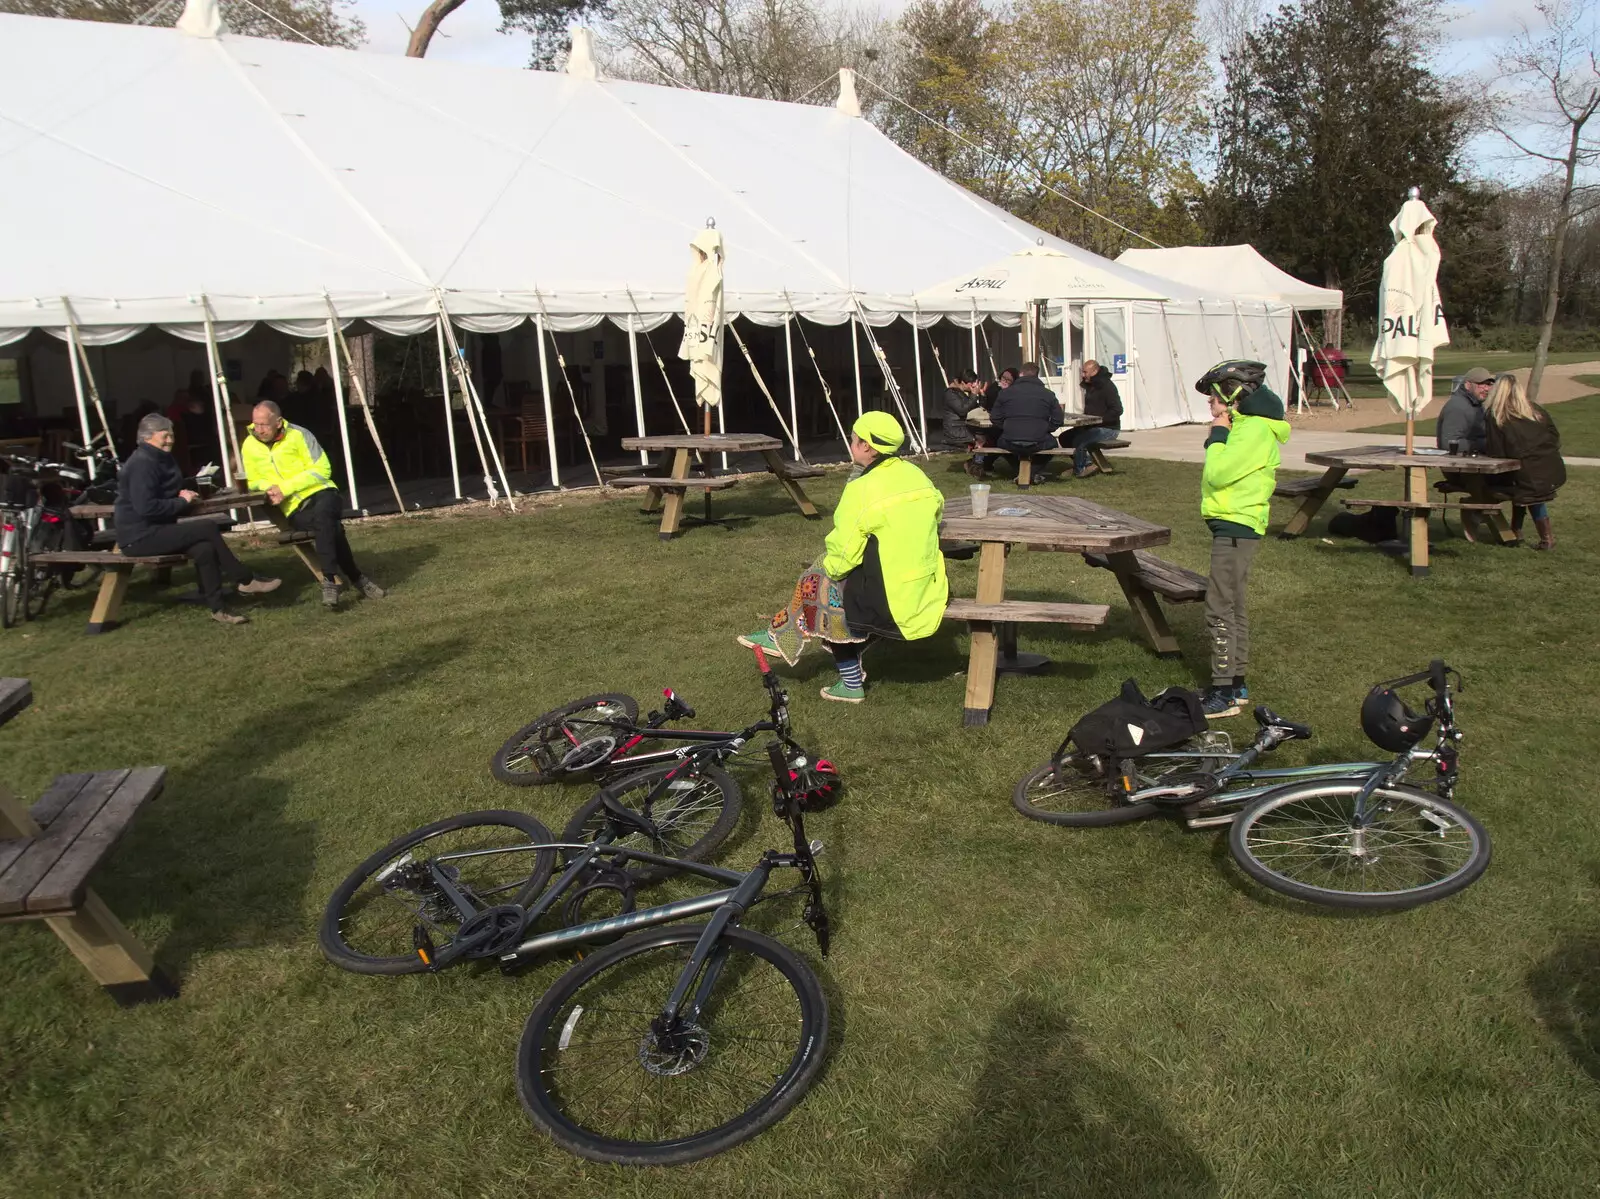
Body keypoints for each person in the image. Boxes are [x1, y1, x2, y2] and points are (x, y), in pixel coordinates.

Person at [737, 412, 947, 703]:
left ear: (866, 447)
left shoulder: (862, 488)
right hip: (927, 585)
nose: (850, 443)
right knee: (819, 578)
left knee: (821, 590)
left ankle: (835, 673)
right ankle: (780, 633)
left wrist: (826, 570)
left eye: (852, 438)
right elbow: (937, 514)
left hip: (892, 597)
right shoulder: (917, 475)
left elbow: (843, 552)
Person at [114, 414, 280, 625]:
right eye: (165, 436)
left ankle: (219, 609)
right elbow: (146, 507)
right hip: (138, 537)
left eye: (172, 435)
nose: (170, 440)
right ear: (148, 438)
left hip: (157, 530)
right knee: (208, 527)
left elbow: (161, 494)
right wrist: (181, 502)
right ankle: (245, 579)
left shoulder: (159, 459)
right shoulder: (141, 464)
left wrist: (183, 492)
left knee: (204, 548)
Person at [1195, 361, 1289, 718]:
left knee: (1219, 606)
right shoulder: (1251, 427)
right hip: (1234, 525)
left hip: (1236, 526)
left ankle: (1223, 695)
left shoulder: (1252, 431)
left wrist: (1218, 433)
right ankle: (1235, 684)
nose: (1210, 405)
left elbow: (1218, 473)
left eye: (1214, 399)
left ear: (1233, 398)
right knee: (1233, 604)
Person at [241, 401, 385, 609]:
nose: (259, 430)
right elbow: (252, 480)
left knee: (324, 514)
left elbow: (322, 469)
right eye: (255, 424)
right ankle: (357, 577)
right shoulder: (249, 445)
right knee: (331, 526)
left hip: (322, 492)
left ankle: (329, 579)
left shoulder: (299, 435)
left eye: (264, 425)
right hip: (294, 508)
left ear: (279, 422)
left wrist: (286, 488)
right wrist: (269, 487)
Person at [1483, 372, 1565, 551]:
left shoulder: (1497, 415)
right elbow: (1554, 435)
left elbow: (1496, 450)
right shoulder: (1534, 410)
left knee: (1522, 488)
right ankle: (1517, 531)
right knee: (1525, 489)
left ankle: (1543, 538)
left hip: (1528, 471)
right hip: (1551, 466)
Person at [978, 361, 1062, 478]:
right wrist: (1046, 428)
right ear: (1036, 375)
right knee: (1053, 443)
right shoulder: (1048, 394)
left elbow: (995, 417)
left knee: (1000, 441)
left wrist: (1006, 426)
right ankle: (1031, 472)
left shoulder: (1005, 393)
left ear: (1021, 374)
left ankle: (1023, 473)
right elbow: (1058, 419)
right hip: (1038, 439)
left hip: (1010, 439)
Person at [1066, 358, 1123, 478]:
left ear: (1094, 371)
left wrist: (1100, 420)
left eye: (1085, 372)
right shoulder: (1091, 386)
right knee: (1065, 438)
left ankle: (1082, 467)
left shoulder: (1107, 387)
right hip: (1091, 426)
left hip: (1108, 428)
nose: (1082, 375)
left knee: (1080, 441)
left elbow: (1117, 410)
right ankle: (1082, 463)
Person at [941, 369, 982, 451]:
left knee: (987, 434)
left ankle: (976, 460)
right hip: (955, 430)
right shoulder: (951, 394)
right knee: (982, 439)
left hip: (963, 427)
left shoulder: (962, 393)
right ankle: (977, 461)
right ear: (963, 383)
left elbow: (976, 408)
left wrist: (982, 395)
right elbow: (962, 411)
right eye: (972, 383)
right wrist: (973, 395)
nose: (974, 385)